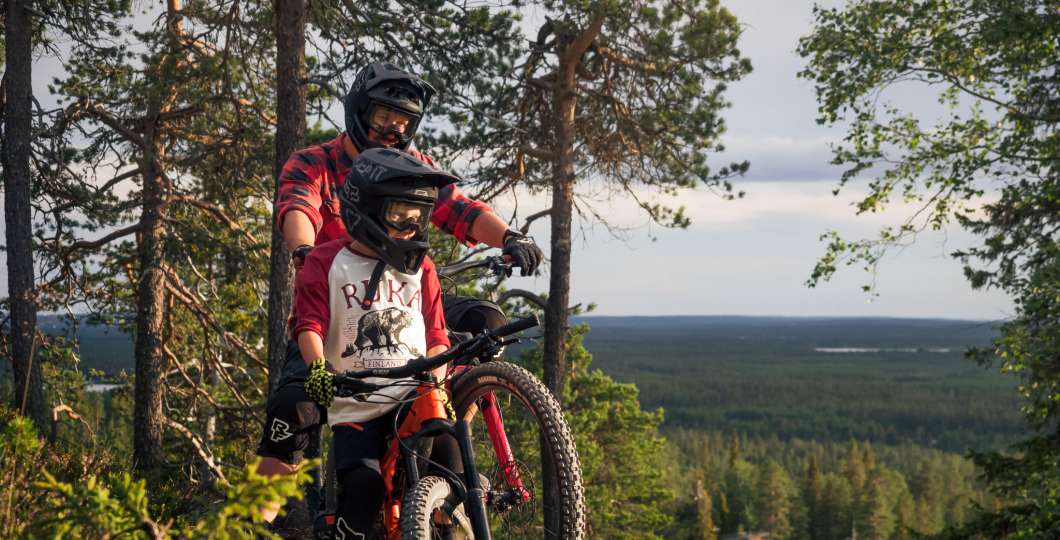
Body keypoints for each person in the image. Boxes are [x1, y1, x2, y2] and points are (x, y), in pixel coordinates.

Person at [258, 61, 543, 523]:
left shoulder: (413, 169)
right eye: (384, 117)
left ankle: (443, 454)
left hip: (405, 298)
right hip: (337, 305)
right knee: (294, 407)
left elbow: (460, 209)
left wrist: (510, 236)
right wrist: (304, 251)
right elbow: (299, 205)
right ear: (359, 112)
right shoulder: (316, 163)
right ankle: (253, 518)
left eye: (405, 122)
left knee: (485, 326)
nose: (395, 130)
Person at [293, 148, 461, 537]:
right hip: (356, 406)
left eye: (418, 217)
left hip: (414, 396)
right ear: (365, 207)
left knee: (455, 472)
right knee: (363, 487)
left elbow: (437, 336)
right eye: (400, 215)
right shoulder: (325, 261)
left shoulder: (422, 268)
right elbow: (310, 324)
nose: (410, 227)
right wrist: (318, 367)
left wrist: (436, 380)